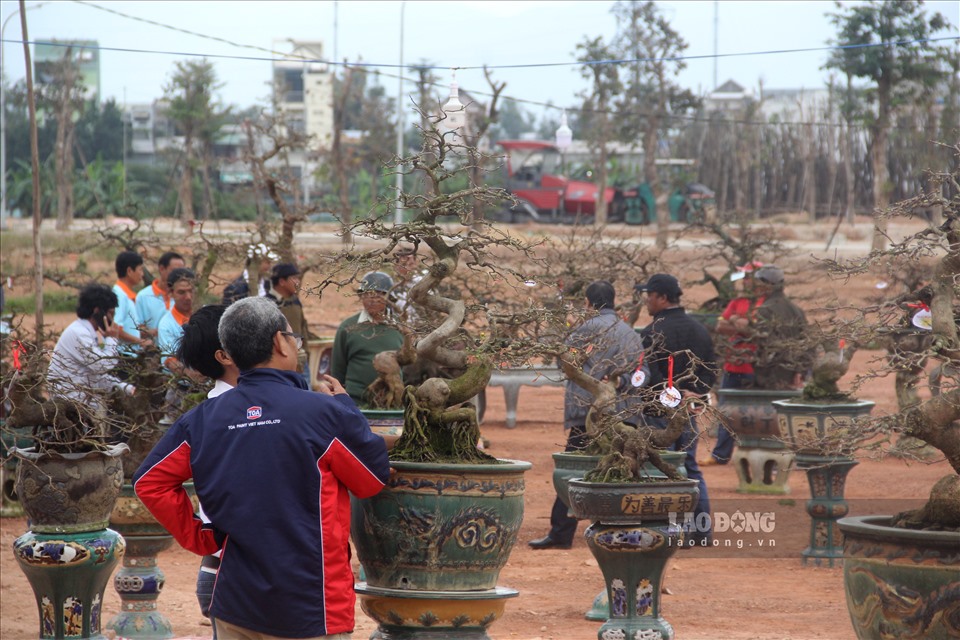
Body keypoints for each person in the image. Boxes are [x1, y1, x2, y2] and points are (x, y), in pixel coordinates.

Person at [134, 297, 390, 638]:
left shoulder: (201, 421)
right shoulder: (323, 414)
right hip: (310, 608)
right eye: (292, 336)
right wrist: (346, 407)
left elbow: (149, 482)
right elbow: (371, 480)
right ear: (278, 342)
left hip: (236, 607)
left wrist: (201, 537)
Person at [529, 280, 649, 550]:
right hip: (624, 412)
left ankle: (561, 533)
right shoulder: (631, 333)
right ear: (614, 301)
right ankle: (626, 530)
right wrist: (622, 383)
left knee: (573, 471)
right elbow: (643, 374)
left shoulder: (583, 330)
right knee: (624, 470)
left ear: (588, 303)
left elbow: (565, 363)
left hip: (588, 413)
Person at [636, 273, 717, 545]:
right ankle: (701, 532)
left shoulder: (652, 332)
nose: (647, 301)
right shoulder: (699, 330)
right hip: (690, 412)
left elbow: (650, 376)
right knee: (690, 468)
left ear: (662, 297)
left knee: (663, 470)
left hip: (659, 415)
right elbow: (712, 370)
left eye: (649, 295)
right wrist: (695, 394)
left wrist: (669, 396)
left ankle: (669, 532)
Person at [175, 304, 239, 637]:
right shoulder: (234, 416)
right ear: (226, 355)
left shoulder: (209, 413)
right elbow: (151, 482)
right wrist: (197, 534)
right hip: (229, 571)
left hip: (217, 568)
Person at [704, 261, 766, 466]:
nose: (744, 281)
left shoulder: (766, 304)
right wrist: (741, 324)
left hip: (756, 368)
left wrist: (738, 323)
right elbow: (720, 325)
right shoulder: (738, 301)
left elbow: (756, 330)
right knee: (725, 412)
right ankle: (720, 455)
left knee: (759, 414)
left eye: (747, 277)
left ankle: (757, 457)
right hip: (733, 366)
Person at [47, 283, 134, 409]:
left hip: (80, 399)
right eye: (111, 314)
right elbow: (102, 365)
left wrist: (127, 388)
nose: (113, 321)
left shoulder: (85, 332)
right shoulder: (79, 333)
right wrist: (112, 338)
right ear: (97, 311)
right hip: (70, 402)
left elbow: (97, 375)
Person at [331, 271, 404, 405]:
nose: (372, 299)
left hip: (391, 400)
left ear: (389, 298)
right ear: (361, 297)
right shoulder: (347, 327)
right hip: (355, 399)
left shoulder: (401, 328)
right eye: (367, 294)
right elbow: (337, 368)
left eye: (379, 294)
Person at [751, 265, 811, 389]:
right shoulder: (796, 310)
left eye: (758, 283)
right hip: (793, 374)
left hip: (771, 375)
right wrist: (800, 371)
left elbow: (765, 345)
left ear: (767, 285)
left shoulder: (765, 310)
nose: (756, 286)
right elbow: (807, 343)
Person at [156, 268, 203, 382]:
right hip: (181, 387)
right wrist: (190, 374)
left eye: (191, 291)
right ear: (171, 293)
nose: (188, 297)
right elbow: (169, 360)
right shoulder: (166, 324)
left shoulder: (206, 314)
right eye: (181, 292)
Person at [270, 263, 311, 375]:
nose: (298, 281)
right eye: (294, 278)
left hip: (301, 361)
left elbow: (303, 328)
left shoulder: (295, 302)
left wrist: (306, 352)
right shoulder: (268, 304)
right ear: (282, 281)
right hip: (280, 365)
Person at [135, 251, 186, 338]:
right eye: (174, 271)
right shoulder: (143, 296)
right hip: (153, 349)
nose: (179, 276)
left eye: (182, 271)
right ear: (162, 269)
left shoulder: (185, 297)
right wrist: (153, 332)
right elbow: (136, 326)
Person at [112, 250, 152, 351]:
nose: (142, 274)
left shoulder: (126, 295)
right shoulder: (119, 295)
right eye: (140, 270)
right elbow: (116, 329)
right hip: (123, 355)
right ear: (129, 271)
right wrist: (141, 341)